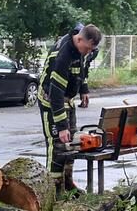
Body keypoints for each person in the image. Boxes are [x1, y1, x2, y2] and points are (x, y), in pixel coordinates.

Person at [40, 23, 102, 194]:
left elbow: (82, 69)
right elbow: (56, 91)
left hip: (68, 99)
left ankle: (68, 184)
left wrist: (83, 89)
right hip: (51, 100)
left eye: (91, 50)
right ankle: (53, 190)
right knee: (58, 144)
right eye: (87, 48)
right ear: (79, 39)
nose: (88, 52)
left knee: (72, 142)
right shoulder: (63, 55)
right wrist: (61, 126)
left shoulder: (82, 48)